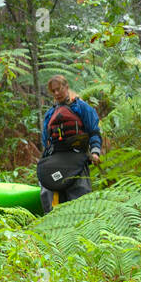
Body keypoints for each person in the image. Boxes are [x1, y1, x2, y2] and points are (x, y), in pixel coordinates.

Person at [37, 75, 102, 214]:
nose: (56, 93)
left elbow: (94, 131)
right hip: (56, 159)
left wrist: (95, 152)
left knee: (81, 198)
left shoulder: (82, 108)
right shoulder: (50, 114)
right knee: (47, 189)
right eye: (53, 91)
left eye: (58, 89)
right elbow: (45, 141)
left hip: (77, 158)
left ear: (66, 87)